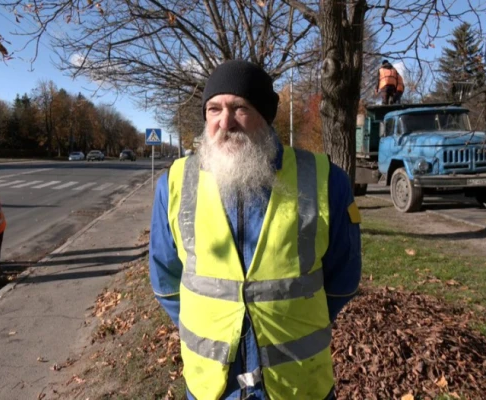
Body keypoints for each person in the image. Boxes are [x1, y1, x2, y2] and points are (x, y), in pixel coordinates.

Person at [149, 60, 362, 400]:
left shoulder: (324, 179)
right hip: (212, 387)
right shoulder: (175, 183)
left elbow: (343, 280)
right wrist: (212, 325)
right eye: (214, 109)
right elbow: (165, 281)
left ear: (265, 114)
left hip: (298, 384)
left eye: (240, 108)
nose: (224, 122)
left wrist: (292, 319)